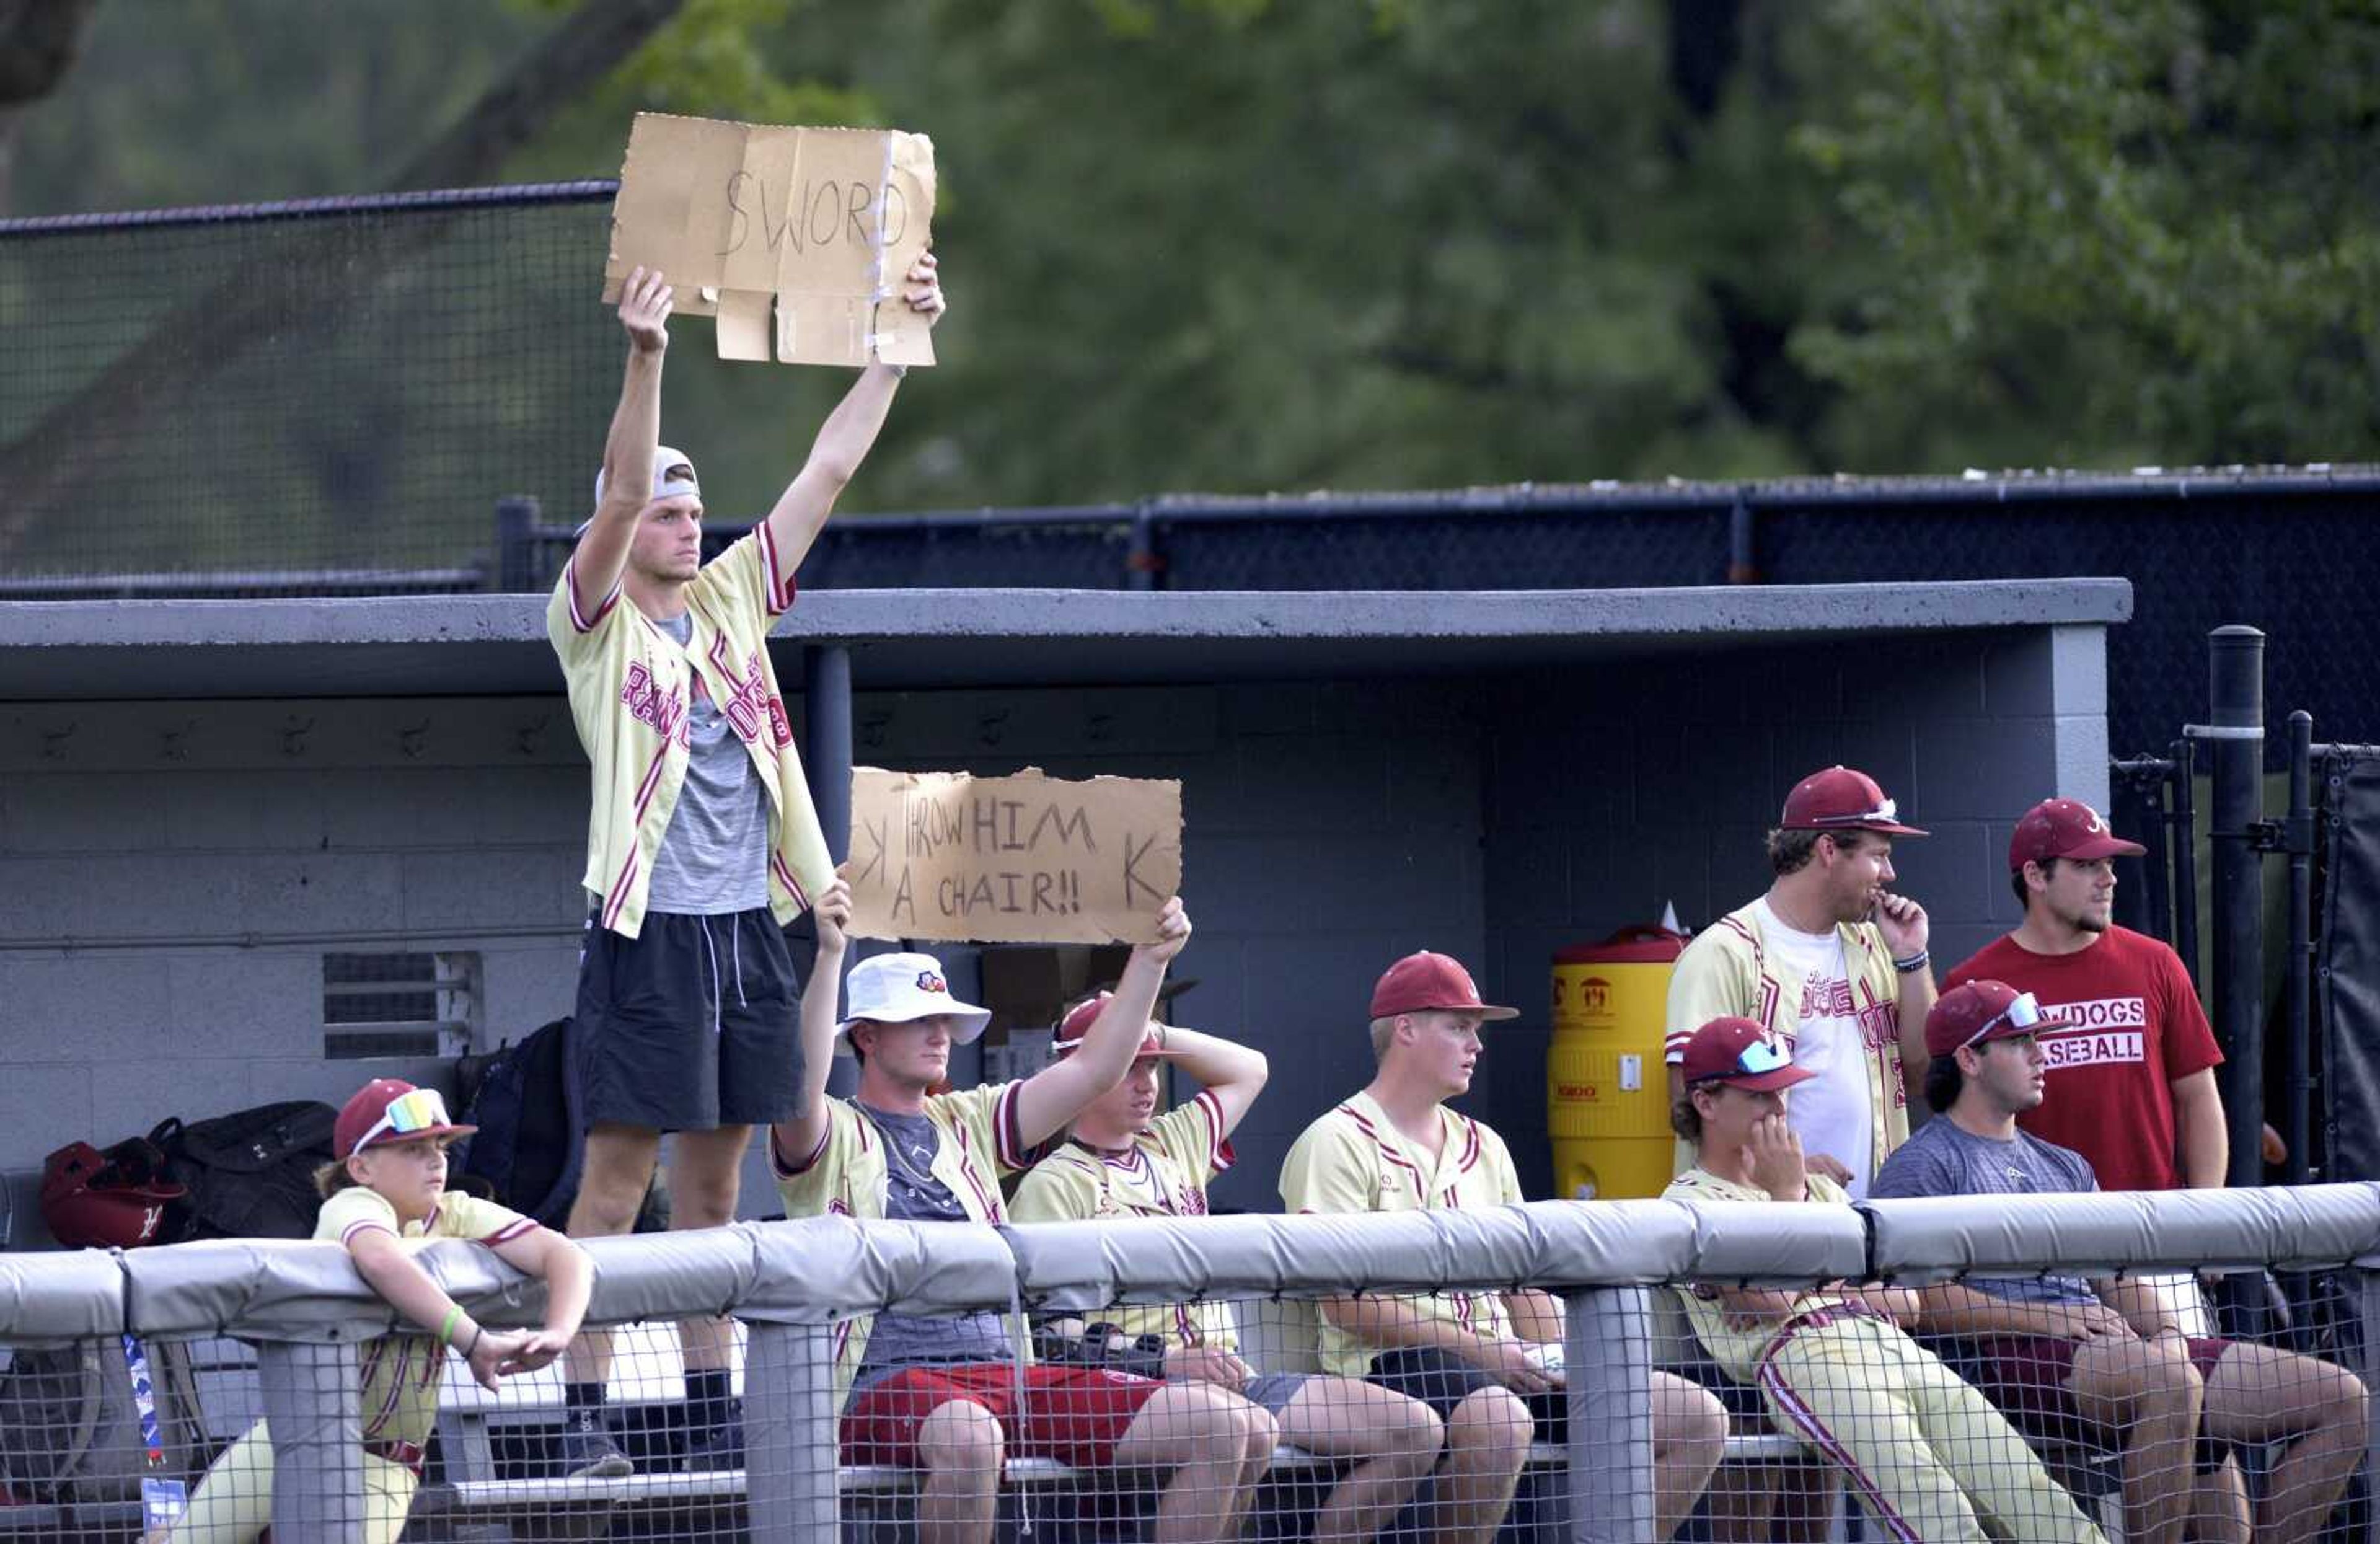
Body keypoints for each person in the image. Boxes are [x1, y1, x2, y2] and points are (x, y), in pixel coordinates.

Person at [544, 255, 946, 1475]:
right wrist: (648, 356)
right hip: (651, 927)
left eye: (693, 506)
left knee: (719, 1193)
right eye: (671, 508)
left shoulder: (728, 604)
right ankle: (583, 1427)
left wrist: (897, 346)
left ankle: (709, 1419)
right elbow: (617, 491)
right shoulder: (595, 620)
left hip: (751, 930)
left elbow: (825, 471)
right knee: (618, 1185)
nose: (687, 520)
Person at [774, 881, 1269, 1544]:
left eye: (943, 1018)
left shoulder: (968, 1120)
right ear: (865, 1035)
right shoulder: (833, 1130)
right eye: (919, 1019)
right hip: (882, 1383)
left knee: (1225, 1426)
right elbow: (797, 1089)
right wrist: (829, 955)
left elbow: (1095, 1071)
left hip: (1009, 1371)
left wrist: (1148, 960)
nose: (940, 1033)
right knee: (973, 1435)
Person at [1872, 979, 2368, 1544]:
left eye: (2040, 1039)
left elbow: (2118, 1276)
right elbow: (1916, 1303)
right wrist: (2051, 1321)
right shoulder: (1921, 1163)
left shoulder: (2065, 1165)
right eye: (2020, 1041)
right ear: (1969, 1059)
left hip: (2115, 1355)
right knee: (2173, 1383)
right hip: (2004, 1359)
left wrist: (2164, 1332)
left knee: (2343, 1399)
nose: (2042, 1054)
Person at [1280, 951, 1727, 1543]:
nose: (1477, 1044)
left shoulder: (1484, 1144)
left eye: (1476, 1029)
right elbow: (1343, 1304)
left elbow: (1524, 1284)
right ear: (1406, 1028)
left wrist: (1567, 1356)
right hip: (1391, 1366)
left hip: (1502, 1360)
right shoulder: (1335, 1139)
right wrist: (1487, 1353)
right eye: (1459, 1026)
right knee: (1501, 1419)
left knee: (1696, 1418)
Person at [1010, 993, 1442, 1542]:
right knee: (1246, 1431)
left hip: (1236, 1377)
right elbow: (1049, 1338)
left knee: (1414, 1430)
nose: (1147, 1083)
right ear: (1081, 1074)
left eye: (1150, 1066)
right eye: (1125, 1067)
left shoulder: (1173, 1142)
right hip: (1140, 1390)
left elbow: (1250, 1069)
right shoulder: (1054, 1183)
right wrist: (1167, 1361)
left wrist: (1147, 1027)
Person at [1664, 1016, 2109, 1544]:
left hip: (1894, 1348)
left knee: (2033, 1494)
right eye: (1759, 1095)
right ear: (1707, 1103)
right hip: (1809, 1361)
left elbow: (1907, 1299)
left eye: (1781, 1091)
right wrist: (1788, 1201)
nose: (1779, 1109)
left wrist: (1818, 1280)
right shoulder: (1691, 1201)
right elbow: (1774, 1299)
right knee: (1938, 1514)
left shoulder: (1820, 1191)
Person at [165, 1081, 593, 1543]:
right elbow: (379, 1258)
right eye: (412, 1148)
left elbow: (566, 1255)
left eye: (441, 1145)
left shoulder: (456, 1211)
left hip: (387, 1462)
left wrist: (560, 1332)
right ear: (361, 1166)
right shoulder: (352, 1202)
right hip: (290, 1441)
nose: (436, 1160)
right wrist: (473, 1339)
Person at [1665, 764, 1936, 1198]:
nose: (1889, 874)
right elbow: (1691, 1104)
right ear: (1828, 849)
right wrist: (1790, 1174)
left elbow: (1925, 1077)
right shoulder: (1723, 952)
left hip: (1872, 1230)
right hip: (1758, 1230)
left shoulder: (1875, 944)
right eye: (1878, 854)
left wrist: (1912, 957)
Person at [1944, 797, 2226, 1195]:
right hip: (2035, 1230)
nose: (2108, 879)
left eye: (2109, 865)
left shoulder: (2157, 963)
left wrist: (2206, 1209)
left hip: (2155, 1229)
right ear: (2036, 876)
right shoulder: (1975, 983)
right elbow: (1955, 1116)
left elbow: (2197, 1098)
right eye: (2086, 865)